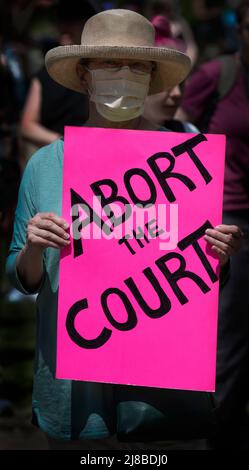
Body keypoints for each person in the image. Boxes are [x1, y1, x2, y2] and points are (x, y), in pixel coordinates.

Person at [6, 9, 242, 450]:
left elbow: (200, 277)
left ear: (153, 77)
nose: (125, 75)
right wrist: (34, 249)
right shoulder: (44, 166)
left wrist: (218, 256)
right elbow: (21, 275)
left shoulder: (185, 164)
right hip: (76, 393)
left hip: (162, 397)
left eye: (139, 66)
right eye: (110, 65)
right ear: (84, 75)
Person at [176, 0, 249, 449]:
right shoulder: (216, 77)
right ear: (239, 29)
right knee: (229, 345)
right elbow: (171, 135)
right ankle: (210, 435)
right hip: (227, 224)